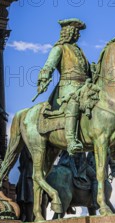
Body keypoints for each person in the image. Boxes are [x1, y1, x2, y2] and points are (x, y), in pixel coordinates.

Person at [37, 19, 90, 156]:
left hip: (85, 86)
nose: (78, 35)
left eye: (78, 32)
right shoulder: (59, 48)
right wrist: (43, 78)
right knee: (74, 102)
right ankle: (71, 140)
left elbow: (87, 70)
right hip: (68, 87)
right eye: (76, 31)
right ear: (69, 32)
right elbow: (49, 65)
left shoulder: (80, 51)